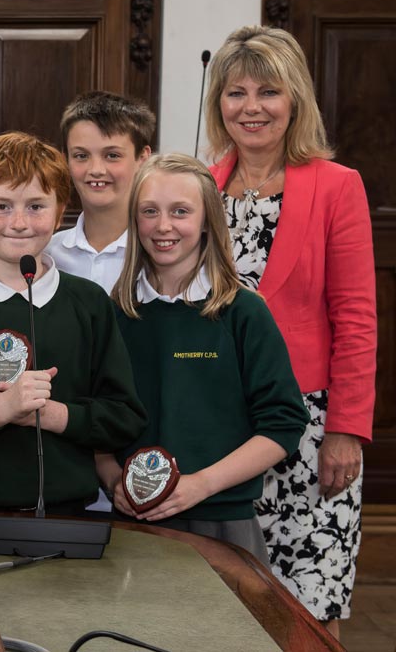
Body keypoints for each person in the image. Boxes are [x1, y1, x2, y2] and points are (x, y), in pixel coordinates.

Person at [205, 25, 376, 632]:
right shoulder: (202, 187)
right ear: (218, 103)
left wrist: (346, 431)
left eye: (268, 92)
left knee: (310, 611)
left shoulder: (337, 187)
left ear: (295, 99)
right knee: (228, 608)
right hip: (224, 428)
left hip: (309, 432)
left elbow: (356, 317)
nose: (251, 107)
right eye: (236, 92)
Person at [0, 132, 146, 511]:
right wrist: (0, 410)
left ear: (60, 208)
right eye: (0, 206)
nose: (18, 222)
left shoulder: (89, 303)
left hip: (66, 513)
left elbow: (124, 416)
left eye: (36, 206)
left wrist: (53, 415)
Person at [97, 154, 308, 560]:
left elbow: (283, 424)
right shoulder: (115, 314)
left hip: (223, 523)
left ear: (208, 220)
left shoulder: (243, 312)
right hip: (131, 525)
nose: (163, 226)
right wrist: (110, 477)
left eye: (180, 211)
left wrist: (201, 484)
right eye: (149, 212)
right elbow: (94, 414)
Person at [47, 91, 155, 293]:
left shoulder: (159, 252)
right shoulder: (47, 255)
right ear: (65, 160)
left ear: (142, 158)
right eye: (81, 155)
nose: (96, 170)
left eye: (112, 155)